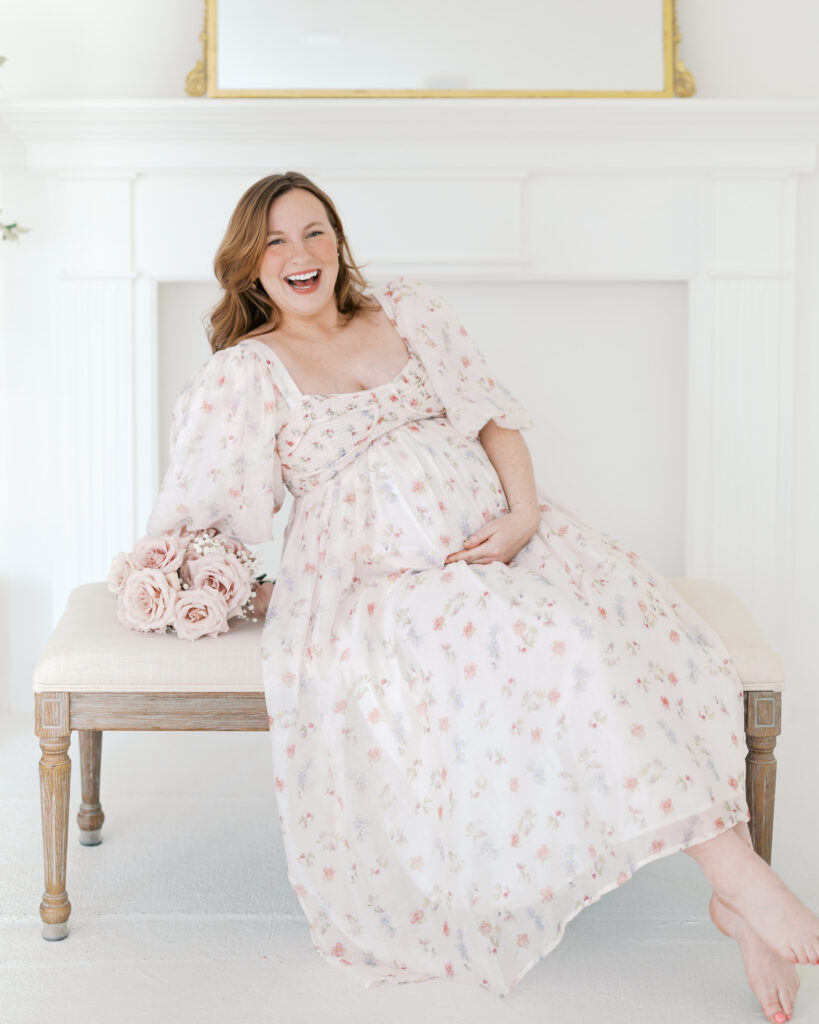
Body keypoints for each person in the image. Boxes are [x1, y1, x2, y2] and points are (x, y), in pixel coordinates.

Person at [147, 171, 817, 1017]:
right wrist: (186, 582)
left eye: (315, 231)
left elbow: (492, 415)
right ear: (248, 265)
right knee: (562, 644)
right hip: (383, 585)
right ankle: (741, 882)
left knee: (636, 638)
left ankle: (737, 896)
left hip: (508, 542)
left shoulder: (404, 311)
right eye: (275, 240)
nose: (300, 253)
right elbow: (202, 509)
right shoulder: (247, 373)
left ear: (339, 240)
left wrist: (521, 518)